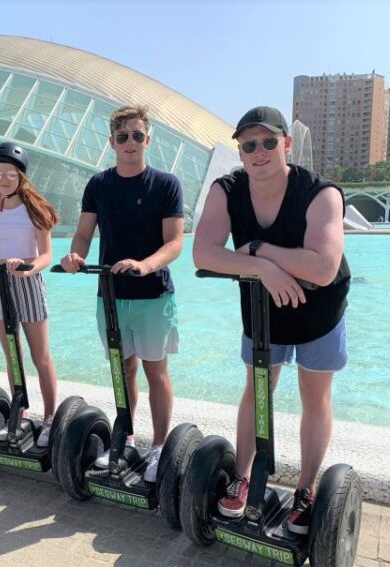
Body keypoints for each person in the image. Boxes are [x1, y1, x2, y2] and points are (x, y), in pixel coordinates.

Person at [193, 106, 351, 535]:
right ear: (240, 152)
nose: (258, 151)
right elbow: (203, 253)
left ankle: (305, 489)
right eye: (248, 145)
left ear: (286, 144)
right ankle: (244, 476)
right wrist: (265, 271)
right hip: (263, 303)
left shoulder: (320, 193)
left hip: (319, 305)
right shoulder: (226, 190)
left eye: (267, 142)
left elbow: (323, 267)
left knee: (314, 394)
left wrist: (257, 251)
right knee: (258, 389)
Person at [60, 105, 184, 482]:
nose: (131, 143)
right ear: (112, 142)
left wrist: (146, 265)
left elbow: (175, 243)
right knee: (123, 368)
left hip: (153, 296)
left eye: (138, 135)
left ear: (148, 139)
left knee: (155, 370)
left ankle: (160, 447)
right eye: (123, 137)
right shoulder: (99, 184)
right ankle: (125, 439)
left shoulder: (166, 184)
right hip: (110, 295)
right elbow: (84, 233)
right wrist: (75, 255)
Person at [0, 142, 59, 447]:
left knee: (40, 356)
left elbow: (46, 255)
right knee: (13, 356)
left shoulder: (36, 210)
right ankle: (20, 414)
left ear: (21, 176)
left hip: (28, 282)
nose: (4, 179)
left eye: (10, 173)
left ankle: (50, 418)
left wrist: (28, 268)